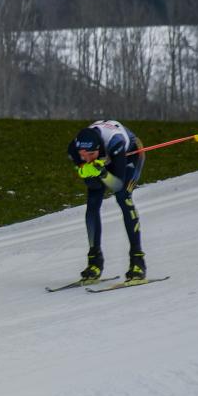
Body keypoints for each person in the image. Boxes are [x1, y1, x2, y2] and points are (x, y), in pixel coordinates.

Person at [67, 119, 147, 283]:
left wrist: (102, 173)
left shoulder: (115, 141)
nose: (87, 158)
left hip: (130, 155)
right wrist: (85, 171)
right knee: (92, 204)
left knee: (123, 197)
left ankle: (138, 261)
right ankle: (95, 261)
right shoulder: (74, 150)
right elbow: (93, 184)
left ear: (98, 149)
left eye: (91, 155)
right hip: (106, 162)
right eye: (83, 155)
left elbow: (117, 184)